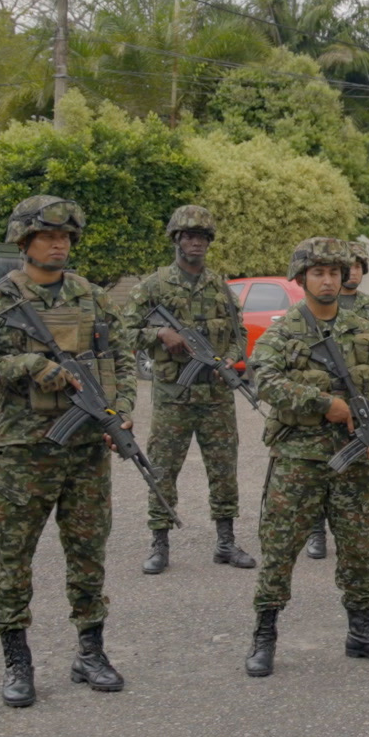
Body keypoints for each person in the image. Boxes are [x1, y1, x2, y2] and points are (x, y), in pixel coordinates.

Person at [0, 195, 136, 708]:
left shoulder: (93, 297)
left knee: (88, 555)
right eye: (48, 236)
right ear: (24, 241)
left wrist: (120, 410)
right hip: (22, 453)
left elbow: (120, 357)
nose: (59, 244)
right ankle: (17, 660)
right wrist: (24, 365)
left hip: (86, 453)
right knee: (12, 559)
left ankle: (90, 651)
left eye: (66, 237)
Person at [242, 239, 369, 677]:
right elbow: (265, 382)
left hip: (353, 462)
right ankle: (264, 635)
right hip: (298, 460)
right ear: (301, 279)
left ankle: (362, 632)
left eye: (335, 272)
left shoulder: (363, 331)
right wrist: (322, 403)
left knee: (356, 549)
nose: (329, 279)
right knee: (279, 550)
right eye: (319, 273)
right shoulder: (284, 332)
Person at [119, 205, 254, 576]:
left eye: (202, 237)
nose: (196, 242)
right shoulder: (154, 285)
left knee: (224, 470)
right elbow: (123, 332)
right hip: (172, 397)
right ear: (176, 239)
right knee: (163, 469)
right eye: (189, 236)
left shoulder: (220, 286)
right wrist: (159, 334)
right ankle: (159, 544)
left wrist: (229, 359)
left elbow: (239, 333)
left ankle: (226, 543)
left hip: (215, 397)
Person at [304, 239, 369, 559]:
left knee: (365, 466)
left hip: (365, 401)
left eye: (360, 266)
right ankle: (317, 533)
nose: (354, 272)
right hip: (325, 403)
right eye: (351, 265)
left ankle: (368, 530)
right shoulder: (317, 307)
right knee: (320, 468)